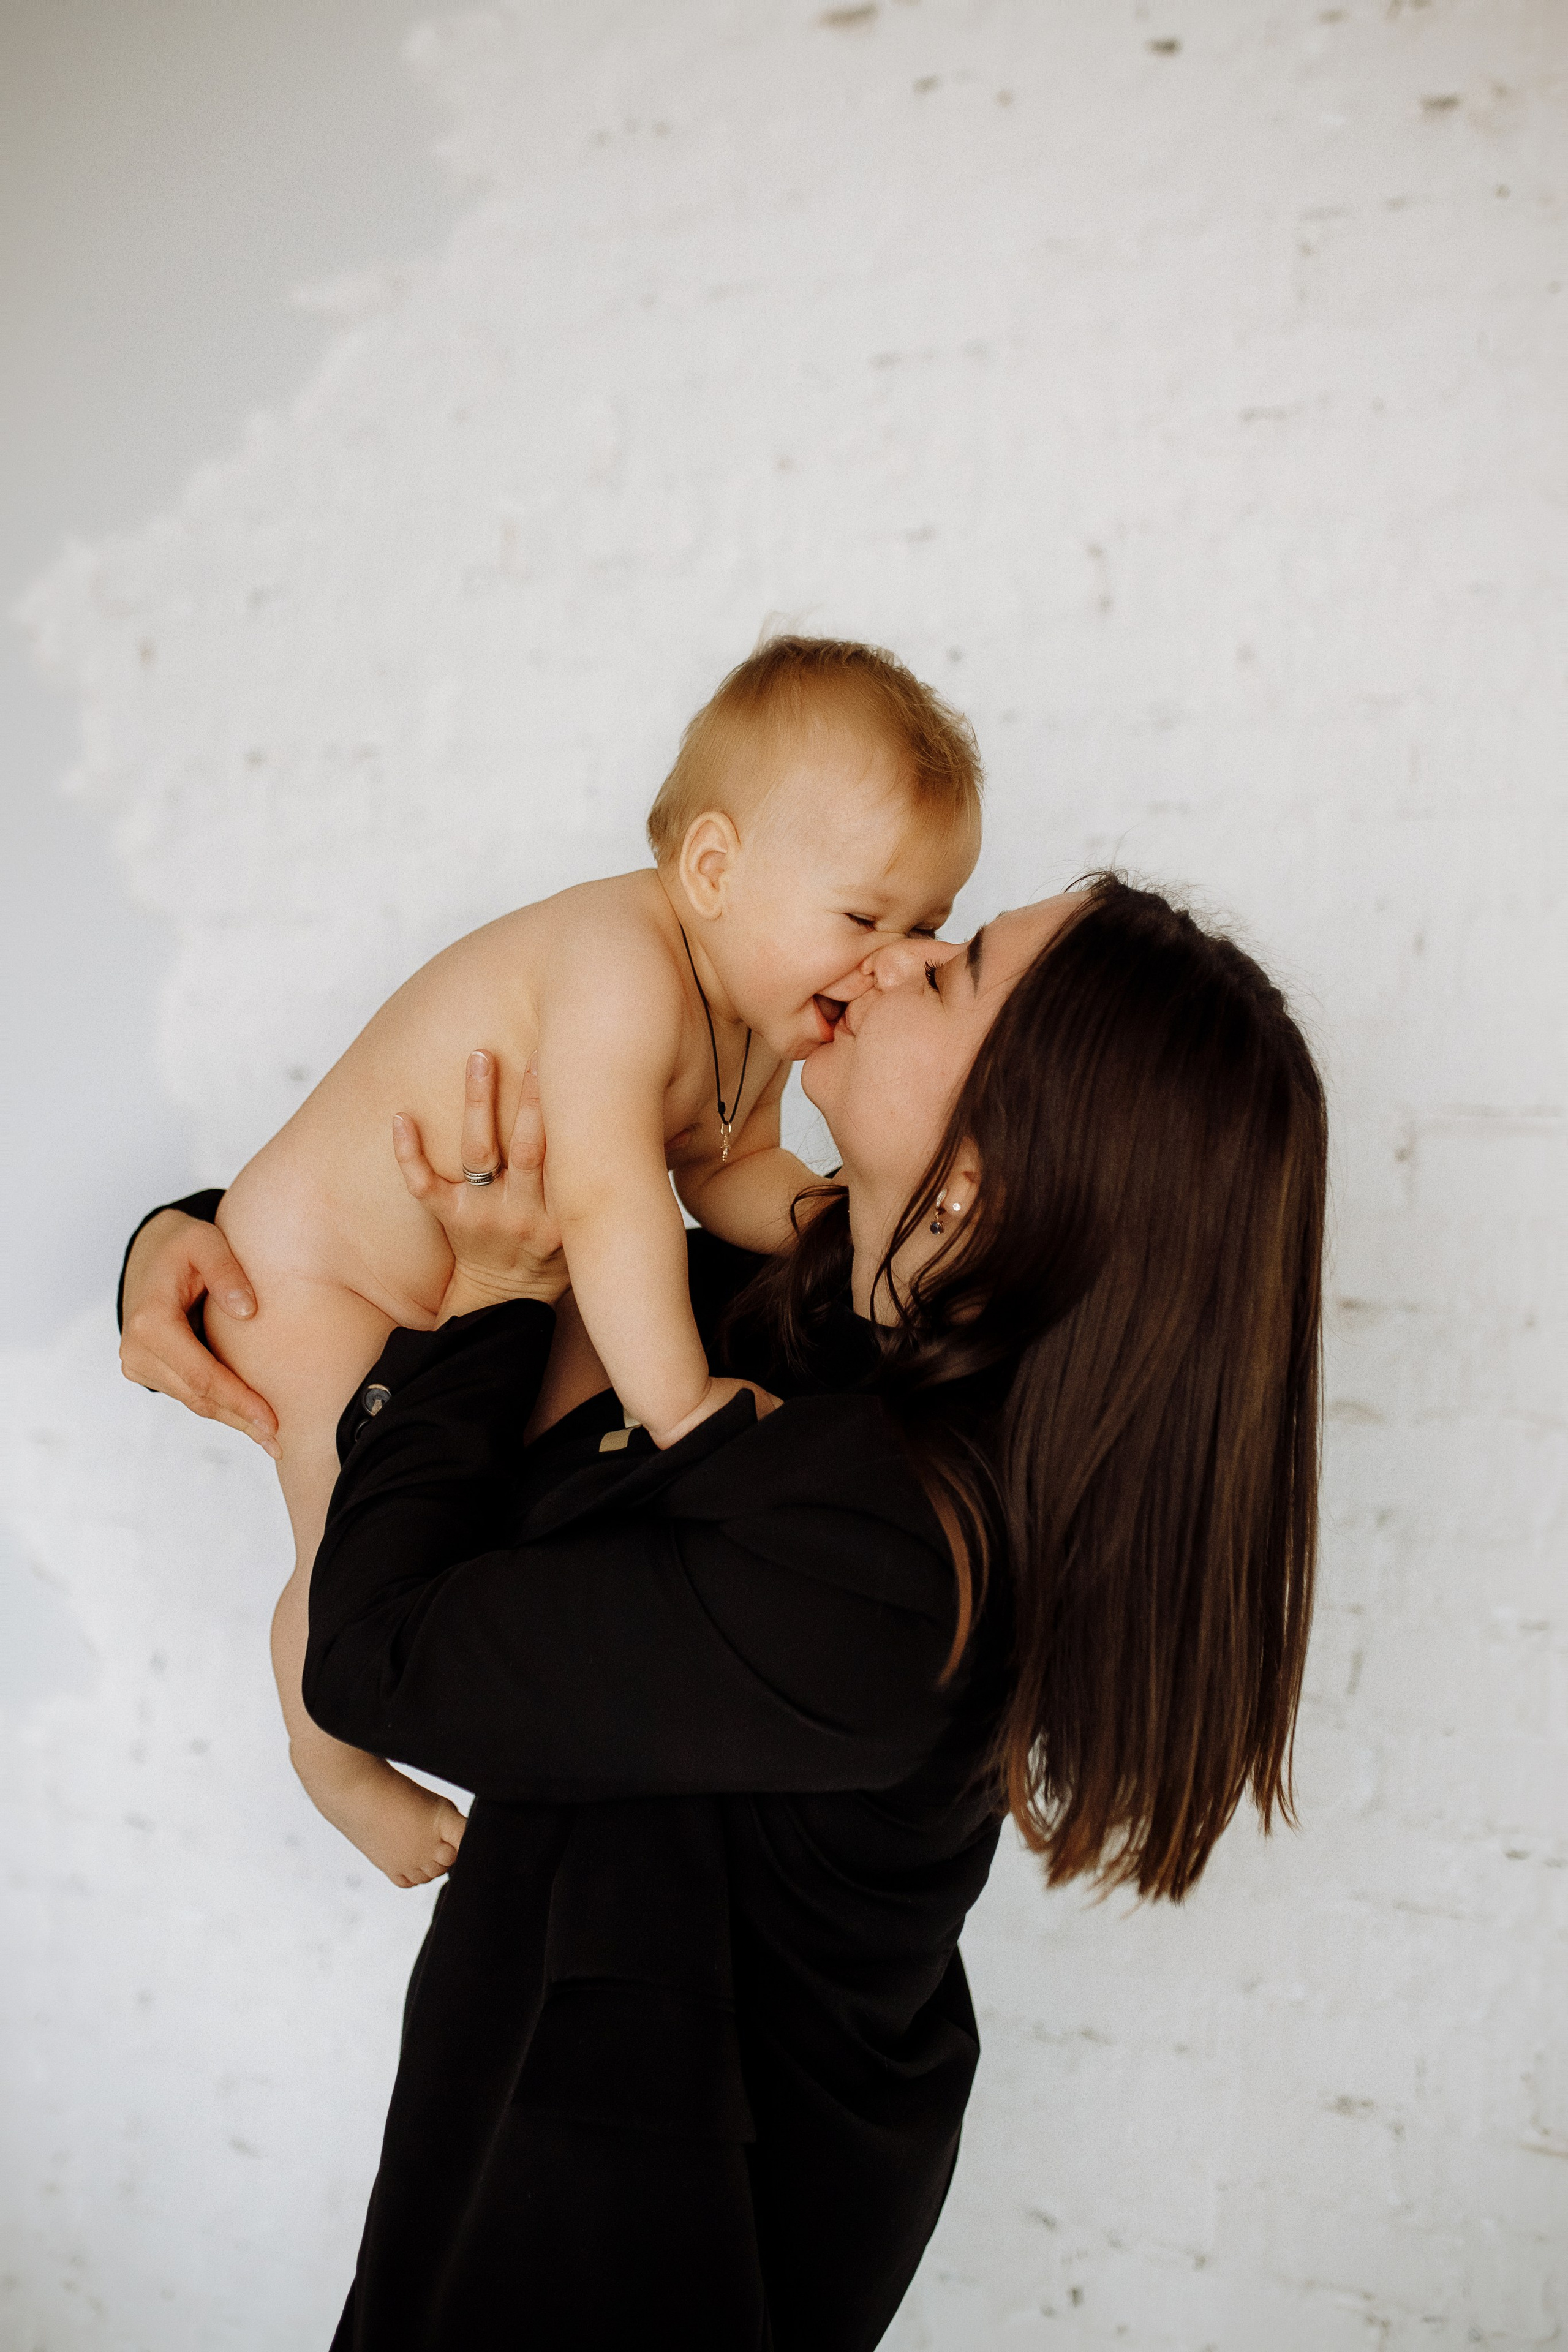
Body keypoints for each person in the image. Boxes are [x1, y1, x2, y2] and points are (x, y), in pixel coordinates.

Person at [118, 874, 1327, 2350]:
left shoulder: (893, 1575)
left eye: (950, 976)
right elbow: (475, 1229)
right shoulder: (795, 1320)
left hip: (633, 2252)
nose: (892, 961)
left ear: (978, 1185)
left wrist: (490, 1305)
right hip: (510, 2135)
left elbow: (376, 1658)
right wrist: (186, 1248)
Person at [190, 636, 981, 1888]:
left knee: (449, 1502)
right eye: (864, 916)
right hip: (315, 1268)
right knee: (347, 1522)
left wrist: (828, 1221)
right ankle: (328, 1758)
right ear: (714, 867)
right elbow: (610, 1198)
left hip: (456, 1270)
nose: (890, 958)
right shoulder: (622, 968)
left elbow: (722, 1175)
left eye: (930, 925)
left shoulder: (756, 1004)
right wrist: (676, 1405)